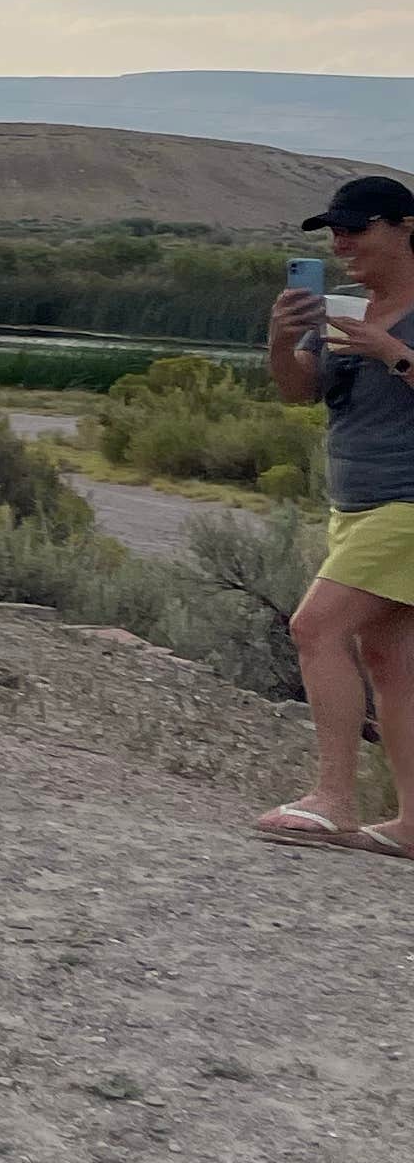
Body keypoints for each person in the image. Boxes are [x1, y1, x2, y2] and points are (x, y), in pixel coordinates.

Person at [257, 170, 414, 853]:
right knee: (390, 658)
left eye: (357, 228)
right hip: (356, 504)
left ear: (405, 228)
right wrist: (279, 341)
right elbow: (301, 393)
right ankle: (413, 825)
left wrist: (397, 355)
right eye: (335, 233)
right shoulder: (344, 312)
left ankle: (335, 799)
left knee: (315, 627)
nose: (344, 243)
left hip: (408, 505)